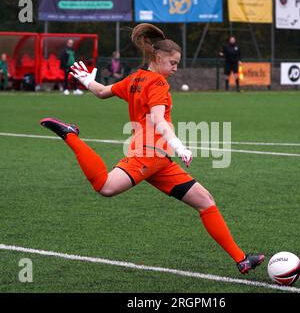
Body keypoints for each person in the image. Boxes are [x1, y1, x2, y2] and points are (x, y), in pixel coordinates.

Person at [40, 23, 264, 275]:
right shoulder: (157, 83)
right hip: (148, 154)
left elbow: (102, 92)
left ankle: (242, 259)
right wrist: (179, 146)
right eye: (173, 63)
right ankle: (71, 136)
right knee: (105, 186)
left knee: (205, 201)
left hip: (158, 160)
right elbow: (158, 120)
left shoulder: (135, 78)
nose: (176, 69)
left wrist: (87, 81)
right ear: (158, 59)